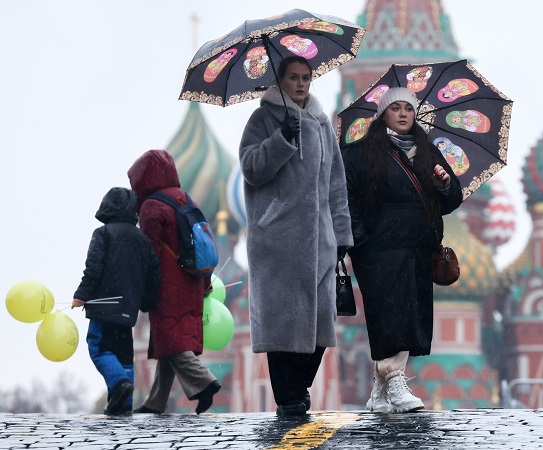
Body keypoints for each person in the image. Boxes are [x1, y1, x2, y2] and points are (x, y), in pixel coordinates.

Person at [238, 56, 353, 416]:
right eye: (294, 77)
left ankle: (298, 385)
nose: (301, 84)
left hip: (320, 240)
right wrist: (282, 138)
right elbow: (251, 168)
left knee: (320, 323)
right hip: (278, 239)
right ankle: (288, 397)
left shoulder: (321, 123)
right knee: (283, 323)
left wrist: (341, 233)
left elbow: (336, 183)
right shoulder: (262, 119)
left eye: (306, 78)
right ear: (281, 81)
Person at [342, 87, 463, 413]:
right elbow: (346, 199)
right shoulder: (361, 154)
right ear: (383, 115)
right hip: (379, 250)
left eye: (408, 109)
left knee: (408, 314)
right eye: (395, 108)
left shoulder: (427, 152)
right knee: (389, 314)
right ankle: (395, 381)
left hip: (416, 247)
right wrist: (360, 241)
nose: (403, 114)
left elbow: (452, 199)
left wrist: (444, 185)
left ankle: (380, 390)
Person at [127, 149, 221, 415]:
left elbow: (150, 253)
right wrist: (205, 280)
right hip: (193, 279)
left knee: (171, 338)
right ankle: (156, 401)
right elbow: (201, 243)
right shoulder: (185, 199)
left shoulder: (151, 207)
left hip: (169, 284)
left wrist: (145, 286)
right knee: (167, 339)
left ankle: (205, 382)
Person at [72, 187, 161, 416]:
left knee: (99, 348)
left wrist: (82, 294)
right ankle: (123, 405)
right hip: (128, 310)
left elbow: (93, 268)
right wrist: (147, 302)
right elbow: (153, 275)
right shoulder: (143, 240)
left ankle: (120, 384)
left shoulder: (103, 234)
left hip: (103, 306)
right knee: (123, 356)